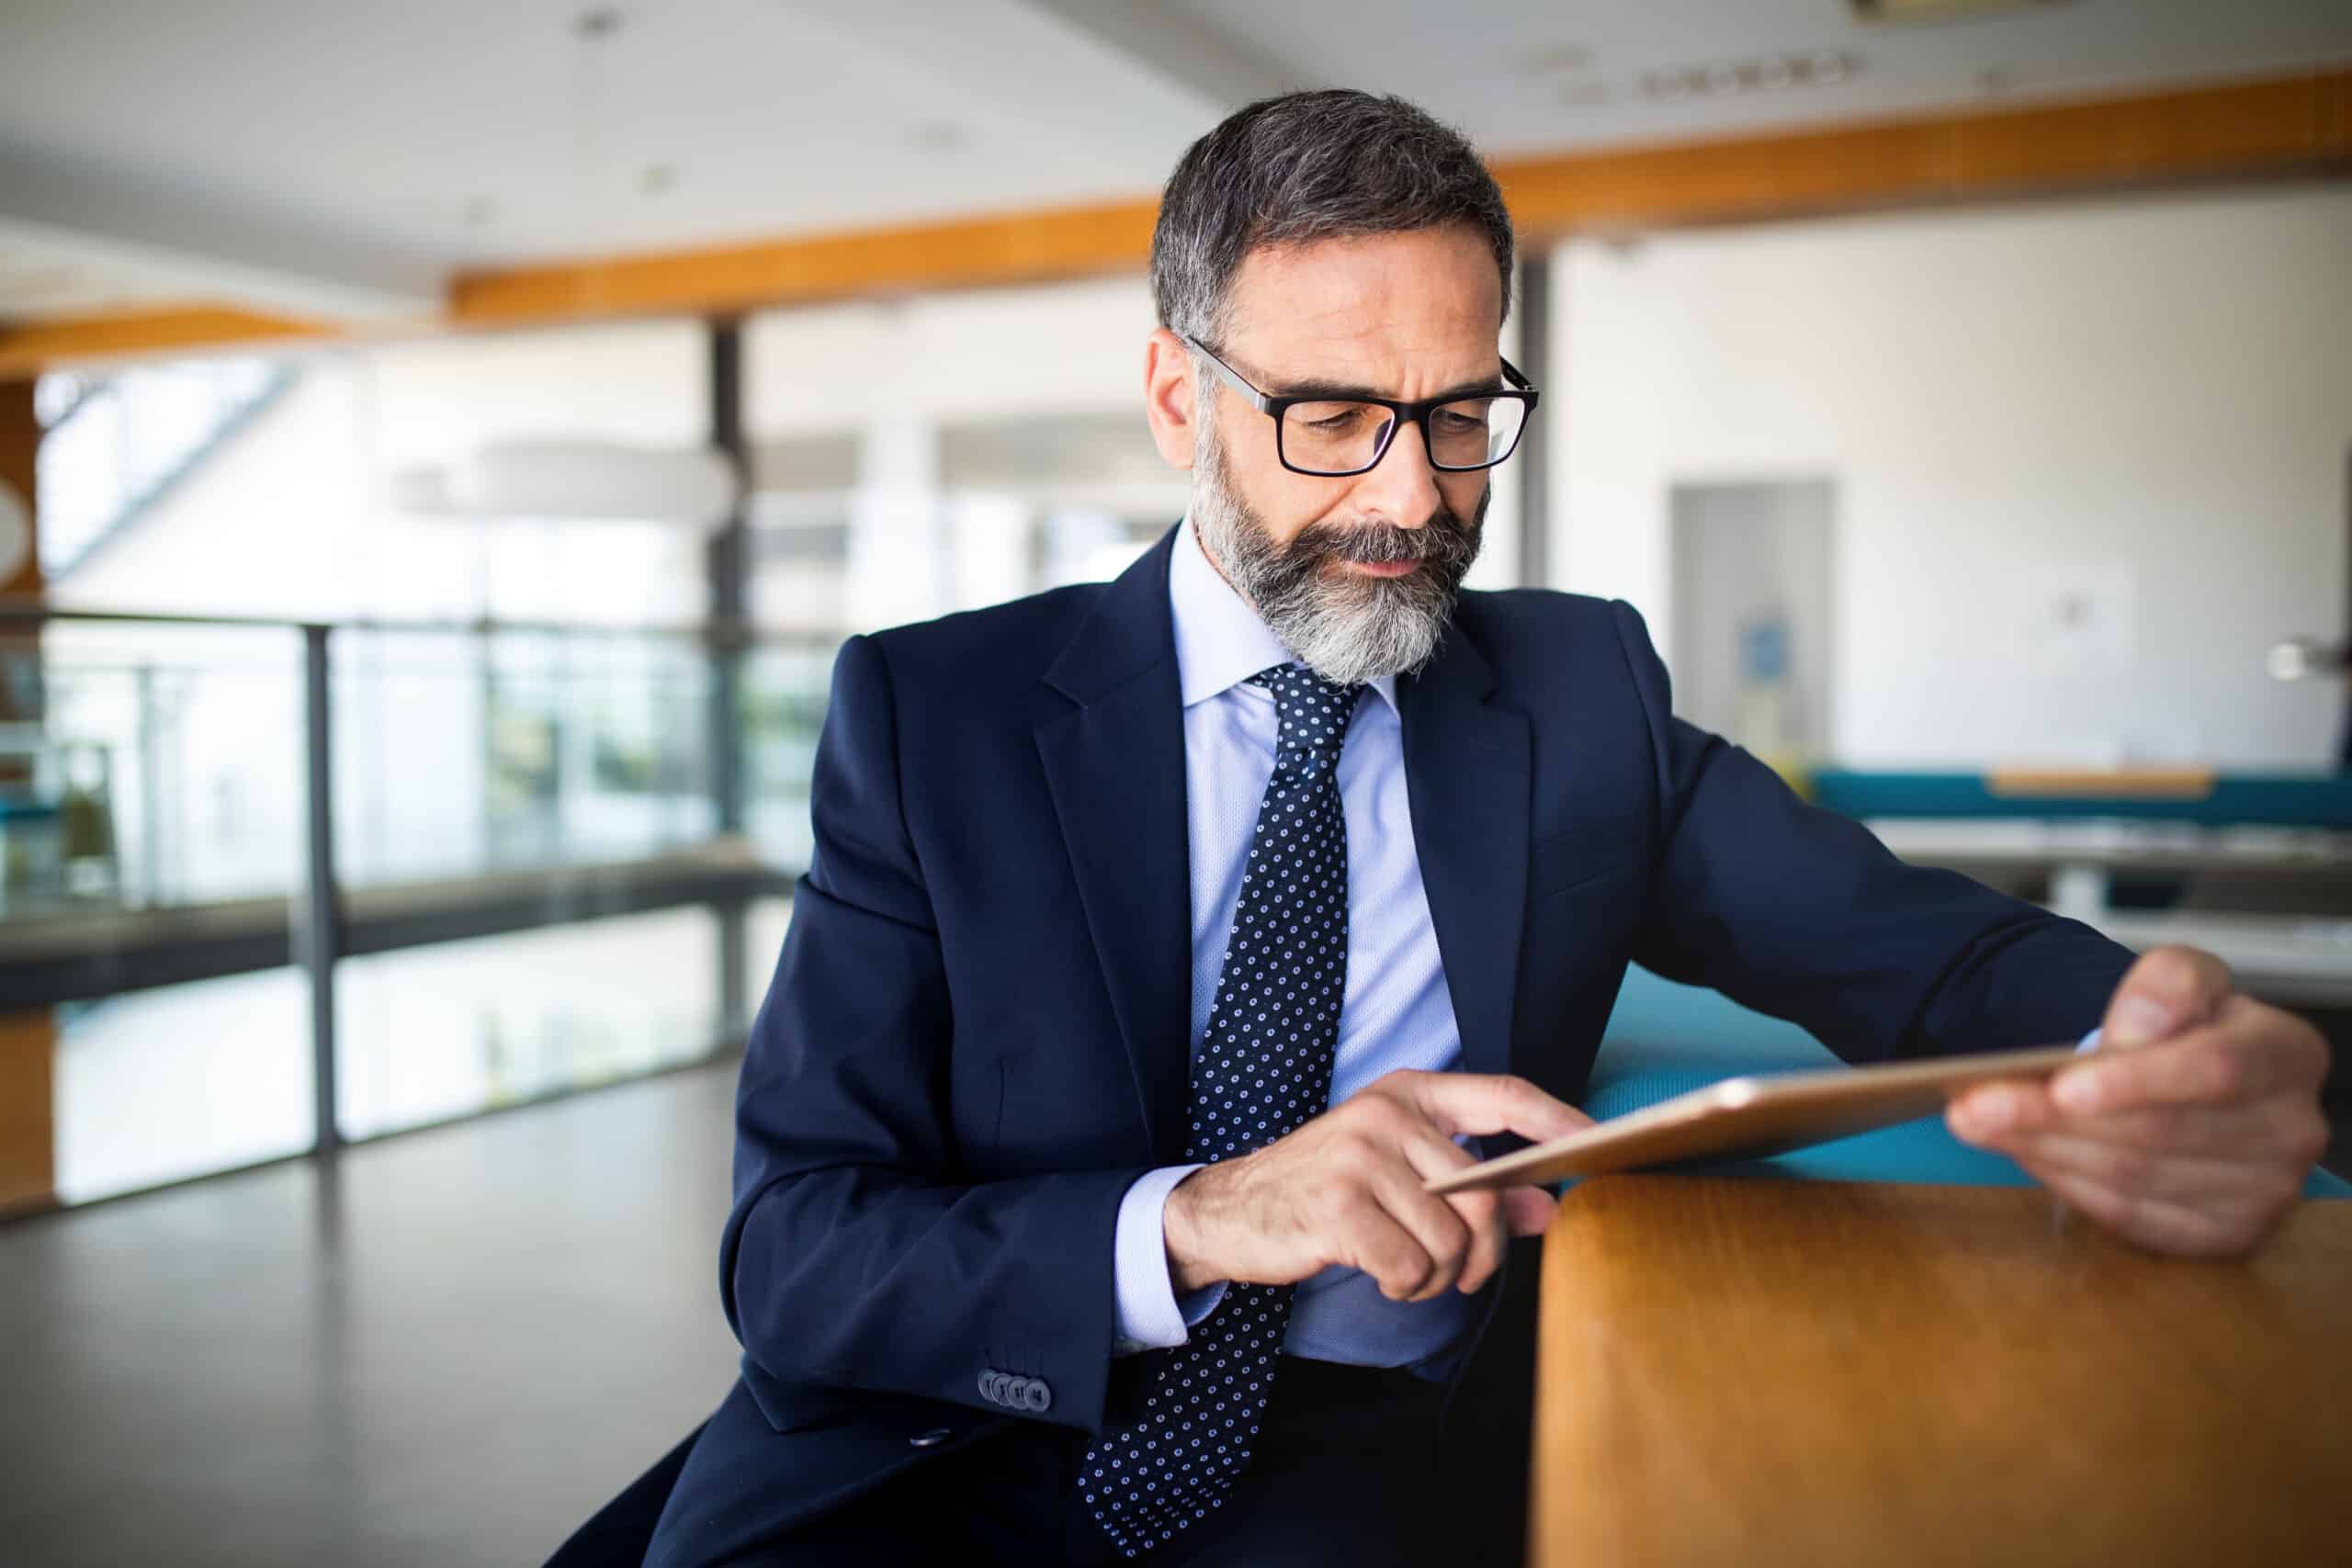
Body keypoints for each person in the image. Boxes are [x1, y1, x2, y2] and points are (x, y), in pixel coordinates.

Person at [634, 90, 2331, 1568]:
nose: (1410, 497)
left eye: (1461, 416)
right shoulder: (941, 717)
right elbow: (798, 1252)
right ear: (1177, 398)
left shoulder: (1575, 696)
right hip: (926, 1432)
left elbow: (1927, 955)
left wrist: (2154, 1045)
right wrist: (1204, 1215)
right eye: (1332, 418)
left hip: (1339, 1449)